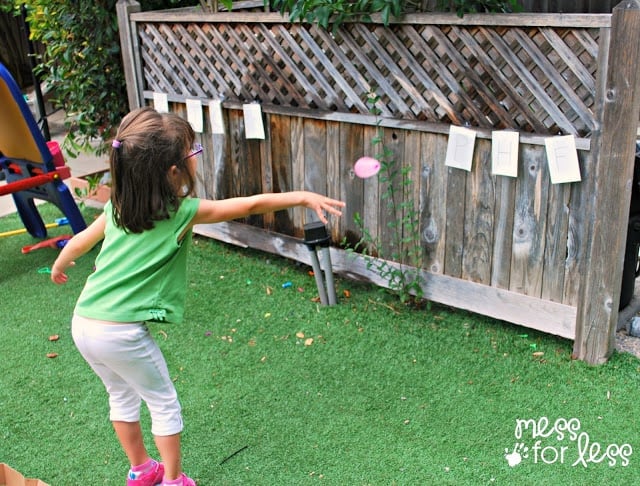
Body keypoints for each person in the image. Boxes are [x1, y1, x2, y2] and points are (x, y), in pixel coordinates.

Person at [51, 107, 344, 486]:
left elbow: (77, 243)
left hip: (84, 322)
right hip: (121, 334)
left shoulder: (117, 208)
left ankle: (141, 470)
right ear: (174, 172)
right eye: (193, 154)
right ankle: (173, 480)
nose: (194, 160)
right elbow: (249, 205)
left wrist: (60, 263)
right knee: (163, 403)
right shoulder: (182, 212)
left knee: (120, 396)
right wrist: (302, 197)